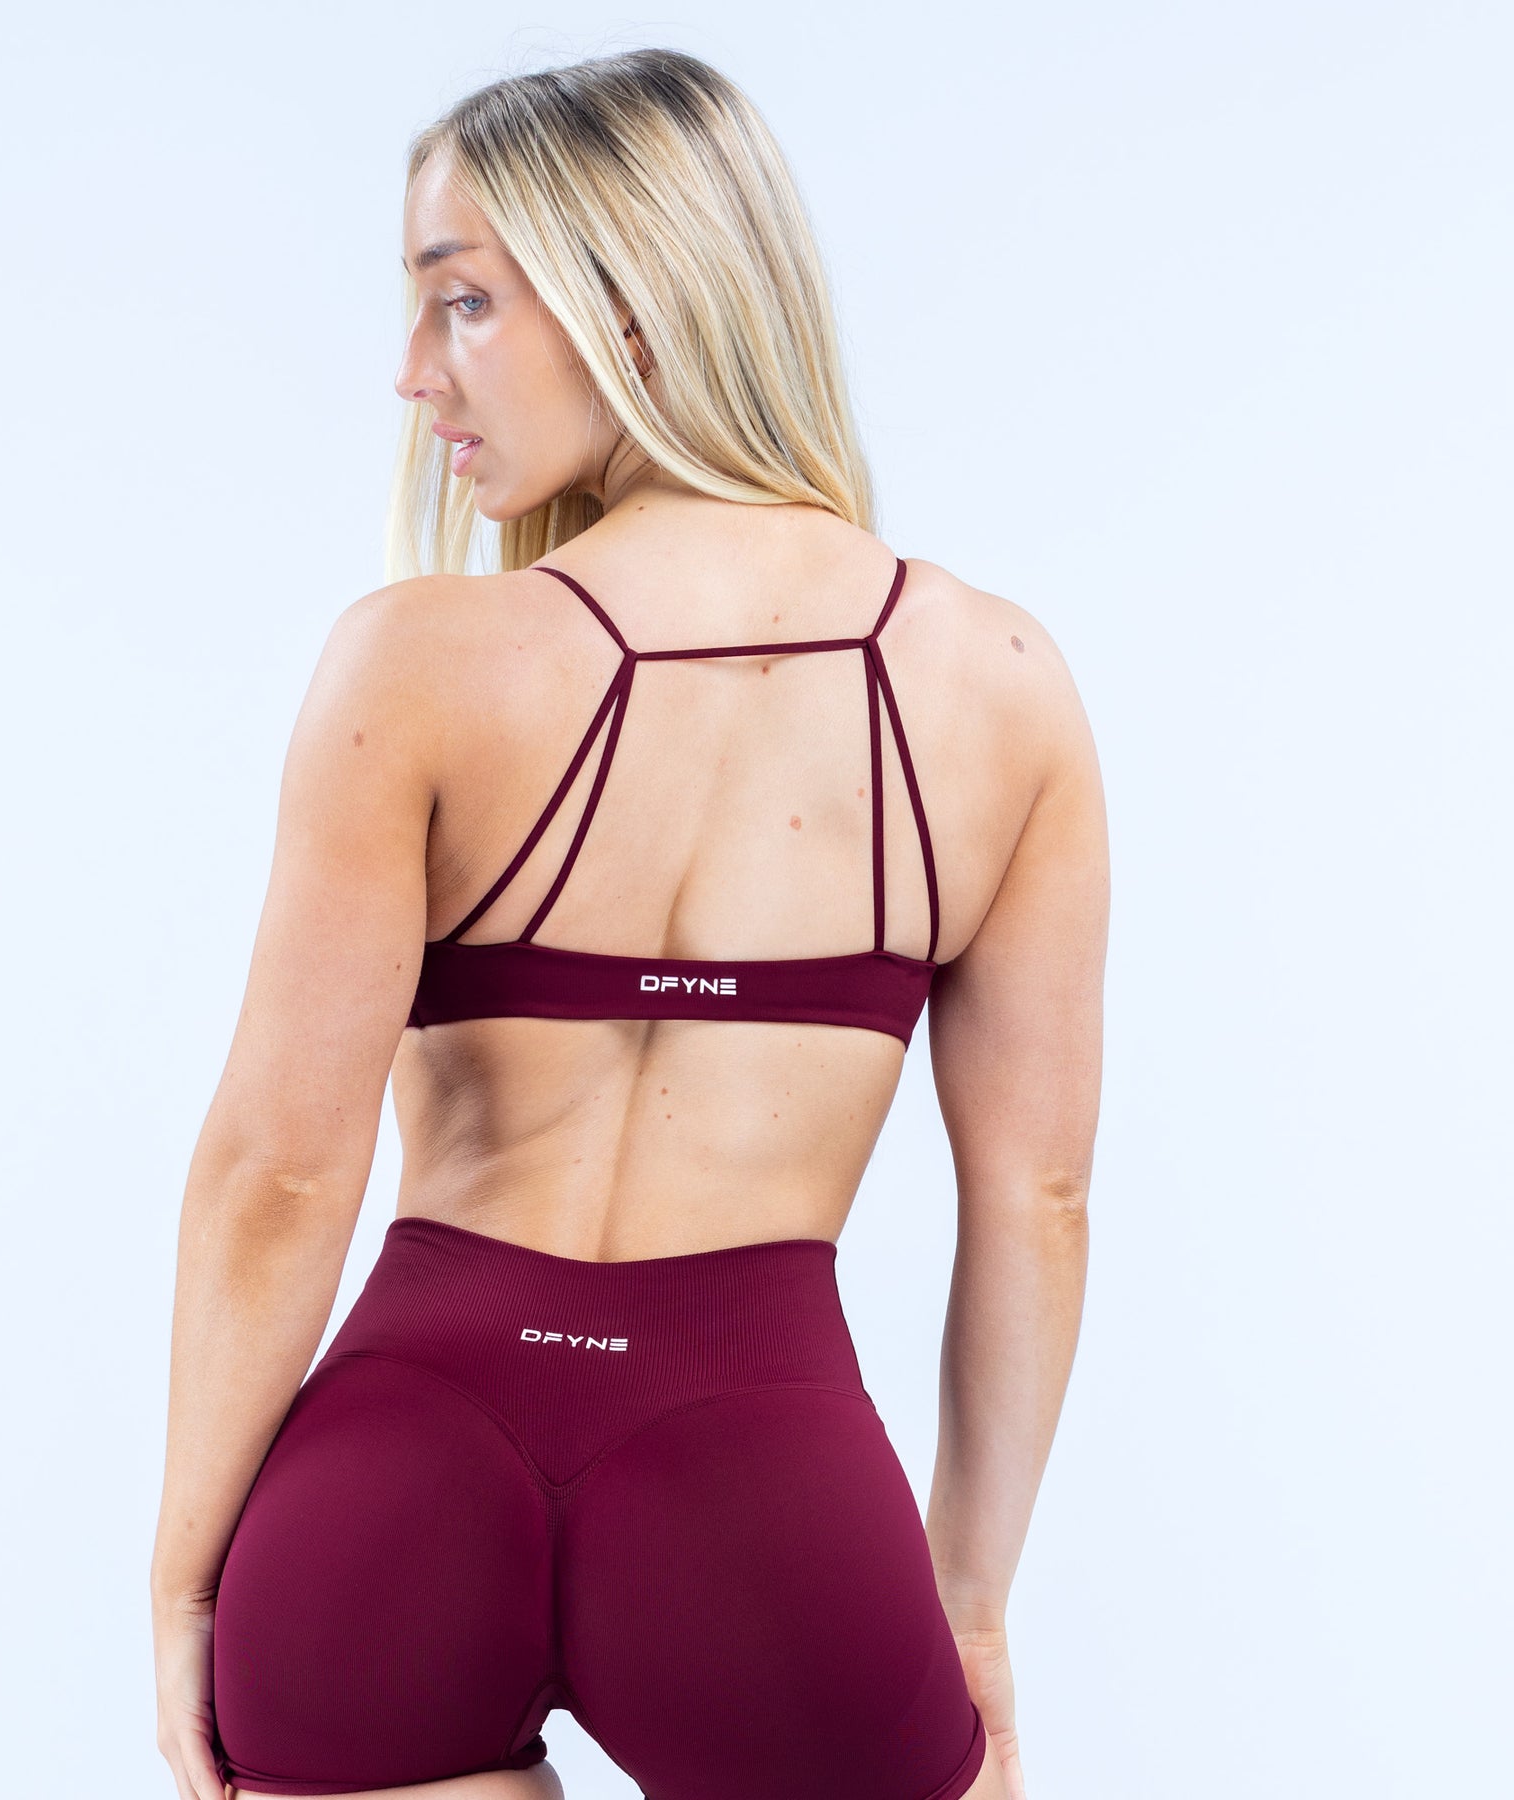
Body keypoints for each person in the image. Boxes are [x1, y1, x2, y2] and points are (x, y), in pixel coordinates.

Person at [151, 46, 1105, 1800]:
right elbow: (1037, 1203)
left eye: (462, 303)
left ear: (638, 303)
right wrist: (966, 1596)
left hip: (394, 1481)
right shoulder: (1000, 685)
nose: (412, 371)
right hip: (773, 1504)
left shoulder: (415, 663)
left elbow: (276, 1174)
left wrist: (185, 1580)